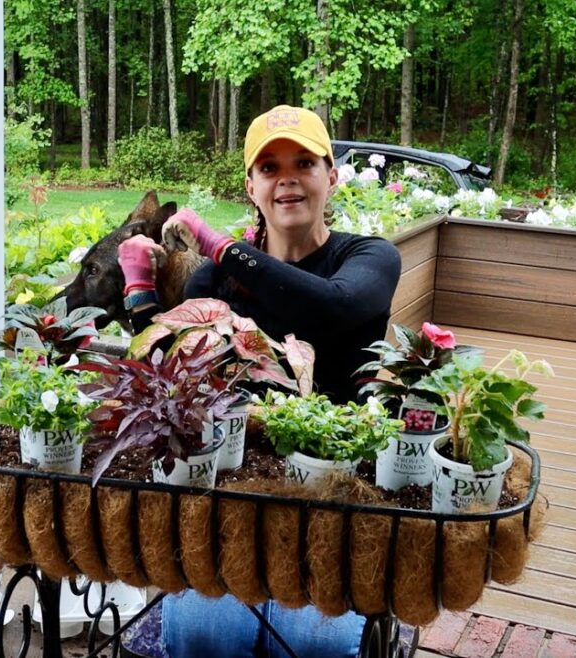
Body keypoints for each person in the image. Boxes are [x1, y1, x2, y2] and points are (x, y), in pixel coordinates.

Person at [115, 105, 403, 657]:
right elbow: (169, 367)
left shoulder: (368, 257)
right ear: (251, 185)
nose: (287, 177)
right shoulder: (215, 278)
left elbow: (333, 310)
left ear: (331, 176)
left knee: (313, 644)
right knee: (204, 635)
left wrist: (220, 244)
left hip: (335, 492)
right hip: (234, 492)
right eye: (269, 168)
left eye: (304, 162)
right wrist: (138, 287)